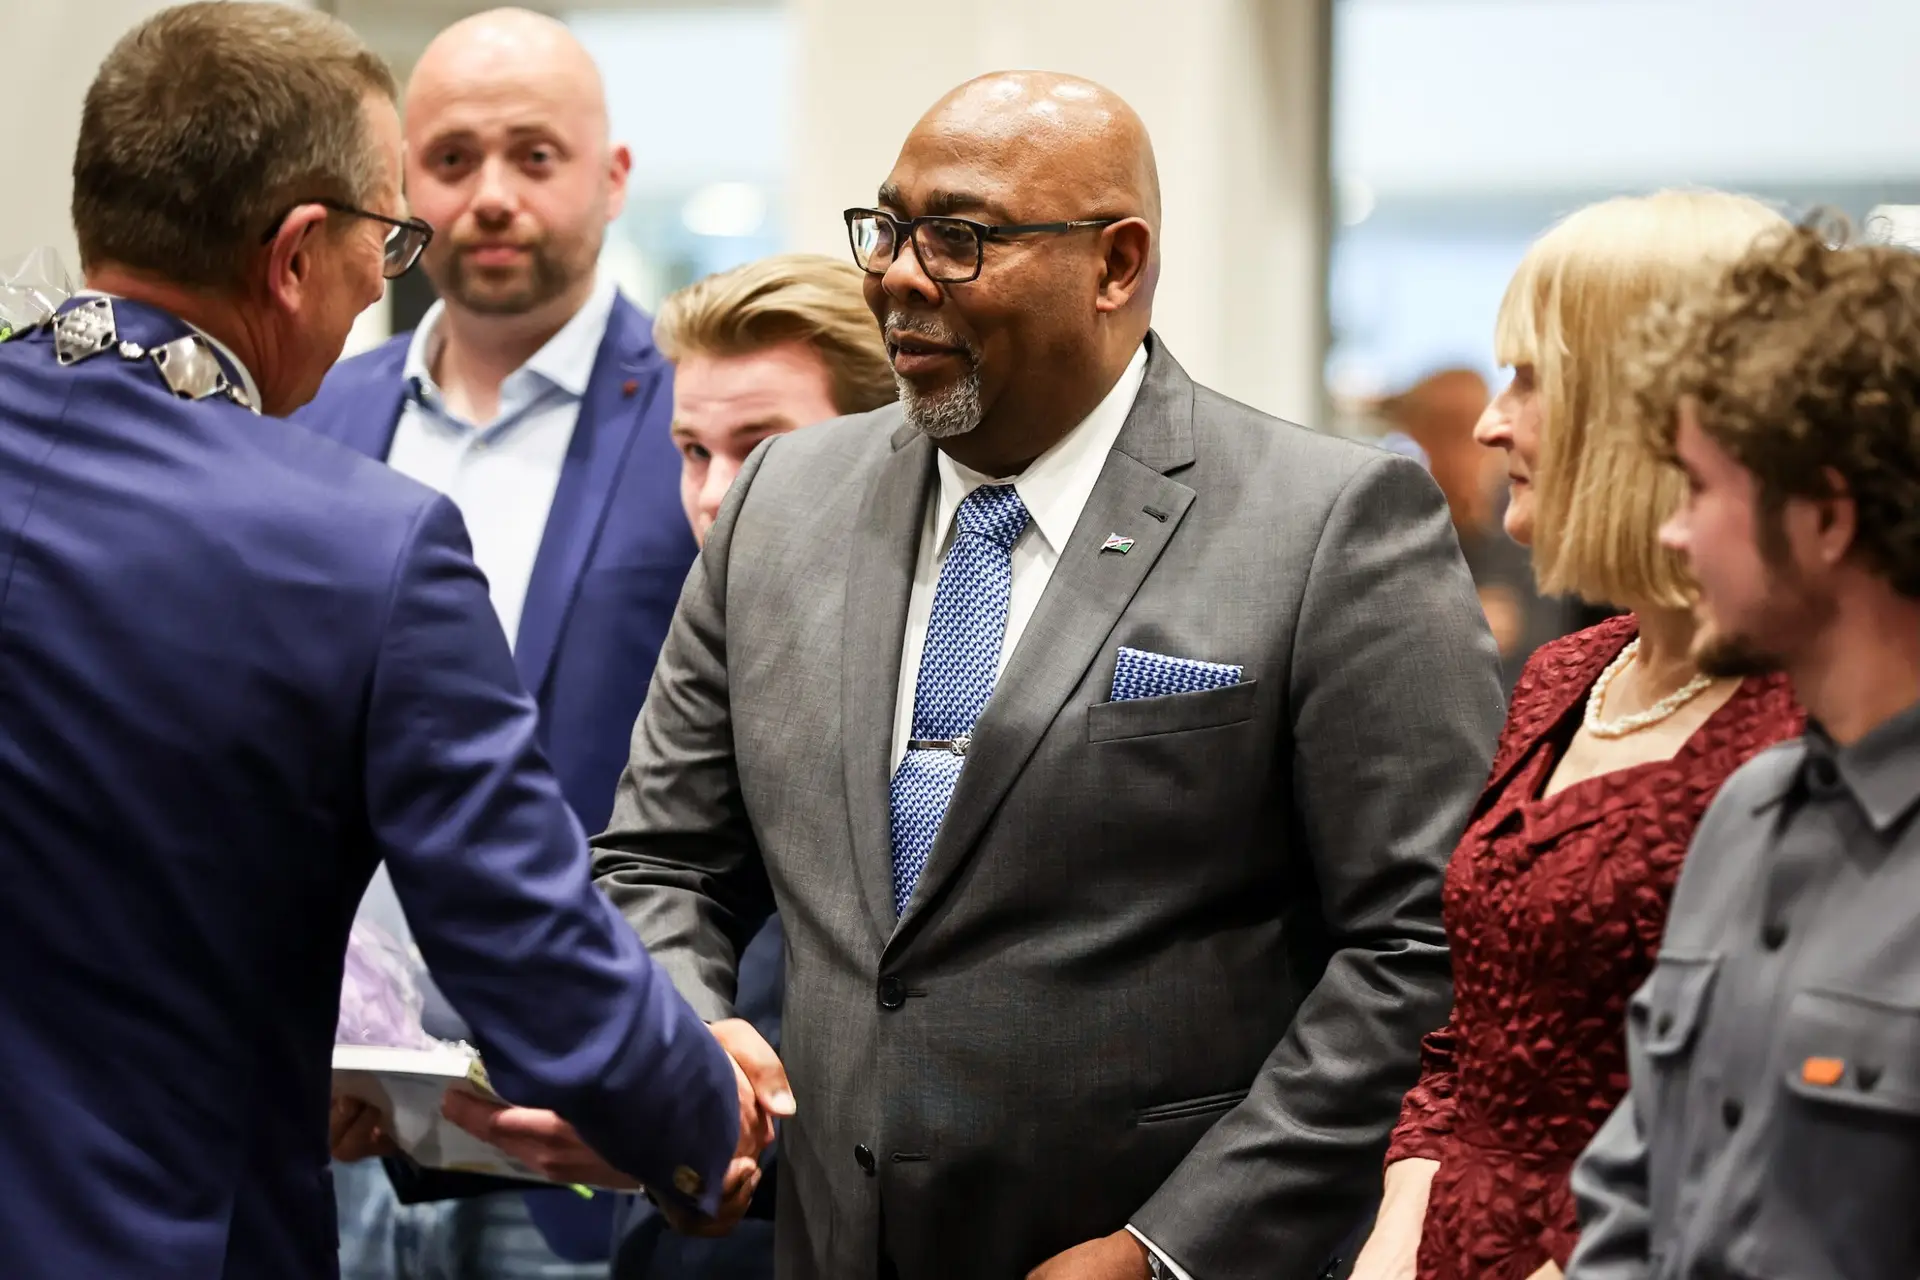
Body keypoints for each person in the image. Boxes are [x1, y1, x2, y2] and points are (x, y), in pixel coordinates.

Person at [577, 72, 1506, 1280]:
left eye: (960, 237)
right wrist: (689, 1036)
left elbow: (1422, 943)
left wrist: (1167, 1248)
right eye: (889, 229)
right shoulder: (780, 500)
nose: (901, 275)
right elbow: (662, 858)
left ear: (1117, 264)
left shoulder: (1328, 523)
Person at [0, 5, 757, 1278]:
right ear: (297, 253)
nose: (380, 280)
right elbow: (518, 925)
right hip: (171, 1222)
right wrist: (696, 1126)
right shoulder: (357, 536)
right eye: (384, 235)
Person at [290, 10, 739, 1275]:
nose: (490, 194)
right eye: (451, 159)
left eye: (535, 156)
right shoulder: (313, 413)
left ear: (613, 176)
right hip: (334, 1126)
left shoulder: (705, 429)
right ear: (398, 190)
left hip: (584, 1139)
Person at [1348, 192, 1803, 1280]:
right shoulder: (1570, 673)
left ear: (1654, 414)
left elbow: (1754, 1132)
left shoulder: (1804, 723)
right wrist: (1399, 1230)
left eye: (1530, 380)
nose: (1492, 423)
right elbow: (1472, 1031)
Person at [1566, 222, 1920, 1280]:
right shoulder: (1746, 814)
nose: (1673, 534)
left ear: (1825, 518)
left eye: (1698, 488)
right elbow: (1629, 1202)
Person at [597, 252, 896, 1280]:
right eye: (693, 451)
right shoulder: (710, 640)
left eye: (761, 450)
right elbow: (658, 868)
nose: (718, 494)